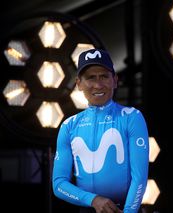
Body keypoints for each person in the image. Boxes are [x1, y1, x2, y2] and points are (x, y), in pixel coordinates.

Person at [52, 48, 149, 213]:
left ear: (115, 80)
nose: (98, 84)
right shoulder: (68, 125)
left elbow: (139, 178)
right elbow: (59, 184)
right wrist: (93, 200)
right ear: (79, 84)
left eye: (104, 76)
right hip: (87, 209)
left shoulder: (132, 117)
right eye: (91, 78)